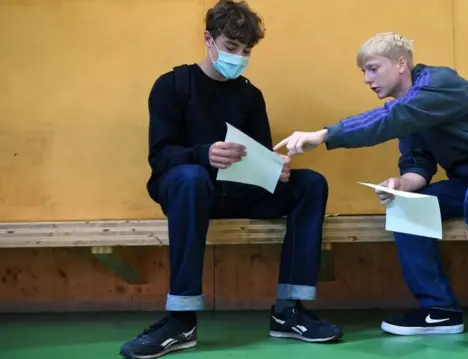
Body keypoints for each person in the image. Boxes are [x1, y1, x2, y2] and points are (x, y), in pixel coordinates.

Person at [273, 32, 468, 357]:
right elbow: (418, 165)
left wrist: (323, 135)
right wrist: (401, 185)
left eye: (373, 69)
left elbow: (394, 119)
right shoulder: (408, 111)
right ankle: (439, 310)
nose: (367, 79)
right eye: (363, 72)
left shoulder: (441, 83)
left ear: (401, 63)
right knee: (406, 207)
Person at [119, 1, 343, 358]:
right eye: (230, 47)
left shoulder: (250, 95)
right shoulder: (172, 85)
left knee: (311, 183)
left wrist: (276, 169)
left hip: (238, 190)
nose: (238, 57)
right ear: (208, 39)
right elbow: (160, 156)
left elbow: (259, 157)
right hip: (187, 190)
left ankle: (290, 310)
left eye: (246, 51)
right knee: (191, 178)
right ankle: (181, 320)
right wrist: (203, 153)